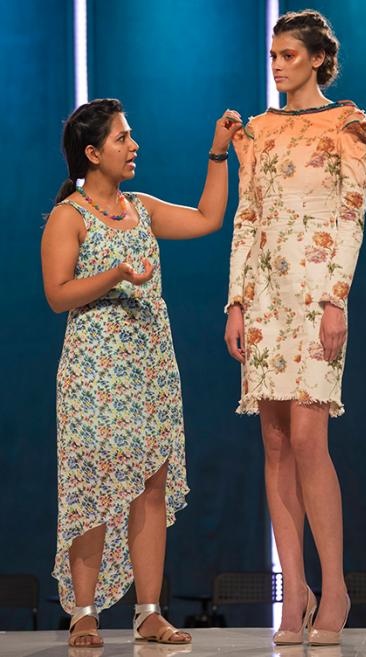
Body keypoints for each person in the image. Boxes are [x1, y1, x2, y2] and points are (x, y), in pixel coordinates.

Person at [42, 98, 241, 647]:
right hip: (93, 370)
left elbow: (208, 219)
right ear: (92, 152)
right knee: (94, 485)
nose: (134, 146)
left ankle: (148, 611)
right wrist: (115, 274)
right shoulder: (69, 216)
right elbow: (57, 295)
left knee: (151, 484)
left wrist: (218, 153)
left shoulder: (142, 208)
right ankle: (84, 612)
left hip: (150, 365)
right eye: (122, 138)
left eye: (131, 137)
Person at [224, 10, 366, 647]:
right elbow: (246, 217)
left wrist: (336, 300)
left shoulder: (347, 126)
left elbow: (352, 219)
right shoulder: (258, 132)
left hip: (316, 294)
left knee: (311, 438)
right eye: (273, 55)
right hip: (264, 299)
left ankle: (335, 585)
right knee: (274, 443)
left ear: (317, 58)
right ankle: (295, 592)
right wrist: (235, 301)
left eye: (289, 54)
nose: (278, 64)